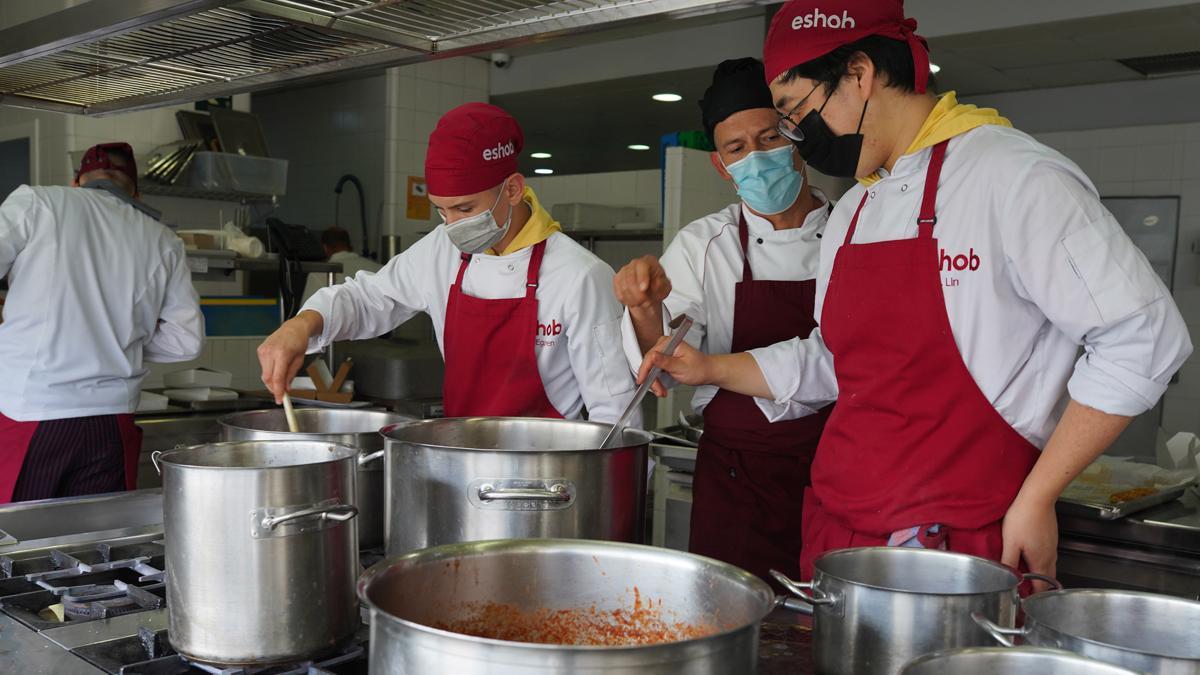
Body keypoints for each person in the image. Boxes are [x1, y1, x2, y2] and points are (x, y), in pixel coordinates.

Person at [638, 0, 1192, 584]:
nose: (798, 137)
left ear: (858, 74)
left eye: (795, 112)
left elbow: (1144, 337)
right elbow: (834, 360)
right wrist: (711, 368)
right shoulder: (856, 208)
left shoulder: (1010, 176)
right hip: (838, 524)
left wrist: (1038, 495)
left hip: (958, 540)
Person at [257, 103, 639, 425]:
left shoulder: (580, 276)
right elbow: (369, 298)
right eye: (442, 211)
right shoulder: (442, 249)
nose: (453, 227)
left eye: (465, 208)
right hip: (459, 466)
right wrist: (302, 325)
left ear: (513, 189)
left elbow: (615, 413)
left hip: (546, 485)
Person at [613, 57, 831, 588]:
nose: (755, 157)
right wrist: (644, 309)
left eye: (769, 138)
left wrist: (712, 367)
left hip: (835, 472)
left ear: (796, 136)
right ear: (721, 164)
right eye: (737, 149)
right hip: (737, 480)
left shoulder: (853, 229)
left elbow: (854, 355)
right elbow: (662, 369)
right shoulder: (703, 244)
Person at [0, 142, 204, 503]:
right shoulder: (163, 239)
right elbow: (186, 341)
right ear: (135, 191)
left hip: (31, 409)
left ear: (76, 182)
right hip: (111, 421)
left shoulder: (37, 202)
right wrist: (113, 341)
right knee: (97, 548)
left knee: (15, 546)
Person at [301, 226, 382, 304]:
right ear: (349, 245)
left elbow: (305, 313)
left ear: (325, 247)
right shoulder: (380, 269)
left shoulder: (318, 274)